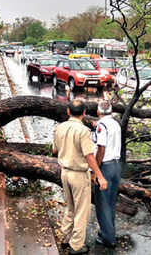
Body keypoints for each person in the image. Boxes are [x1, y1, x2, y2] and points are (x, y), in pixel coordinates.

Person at [53, 100, 108, 255]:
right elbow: (89, 156)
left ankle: (65, 237)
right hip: (78, 174)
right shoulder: (83, 131)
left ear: (68, 112)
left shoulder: (59, 128)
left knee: (70, 207)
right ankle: (76, 246)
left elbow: (54, 150)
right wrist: (99, 176)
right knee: (82, 211)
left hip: (64, 173)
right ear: (84, 113)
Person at [92, 100, 122, 248]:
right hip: (116, 166)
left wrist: (95, 171)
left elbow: (101, 149)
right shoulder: (115, 123)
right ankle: (109, 231)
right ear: (110, 111)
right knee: (111, 202)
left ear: (98, 112)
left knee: (102, 204)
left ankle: (108, 239)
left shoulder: (101, 126)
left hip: (105, 166)